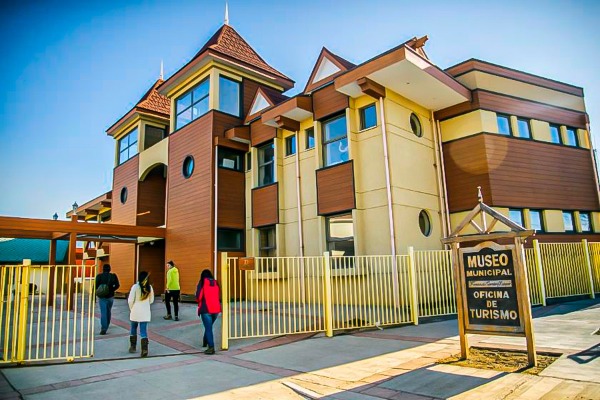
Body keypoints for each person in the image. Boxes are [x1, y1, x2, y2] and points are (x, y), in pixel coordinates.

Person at [128, 271, 154, 357]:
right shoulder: (149, 287)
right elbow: (151, 300)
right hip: (145, 312)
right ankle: (144, 349)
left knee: (133, 328)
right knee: (143, 331)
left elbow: (130, 300)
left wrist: (132, 308)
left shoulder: (135, 287)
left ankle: (133, 346)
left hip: (135, 311)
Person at [195, 269, 221, 355]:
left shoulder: (202, 283)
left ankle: (211, 347)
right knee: (209, 327)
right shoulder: (215, 282)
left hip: (206, 309)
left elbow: (198, 296)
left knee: (208, 328)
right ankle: (205, 340)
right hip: (216, 309)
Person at [95, 264, 120, 335]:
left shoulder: (99, 276)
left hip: (102, 297)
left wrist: (96, 294)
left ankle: (104, 328)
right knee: (108, 311)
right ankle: (107, 323)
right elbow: (118, 285)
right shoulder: (113, 276)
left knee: (103, 312)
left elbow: (95, 286)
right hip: (110, 296)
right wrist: (112, 289)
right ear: (110, 269)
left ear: (103, 269)